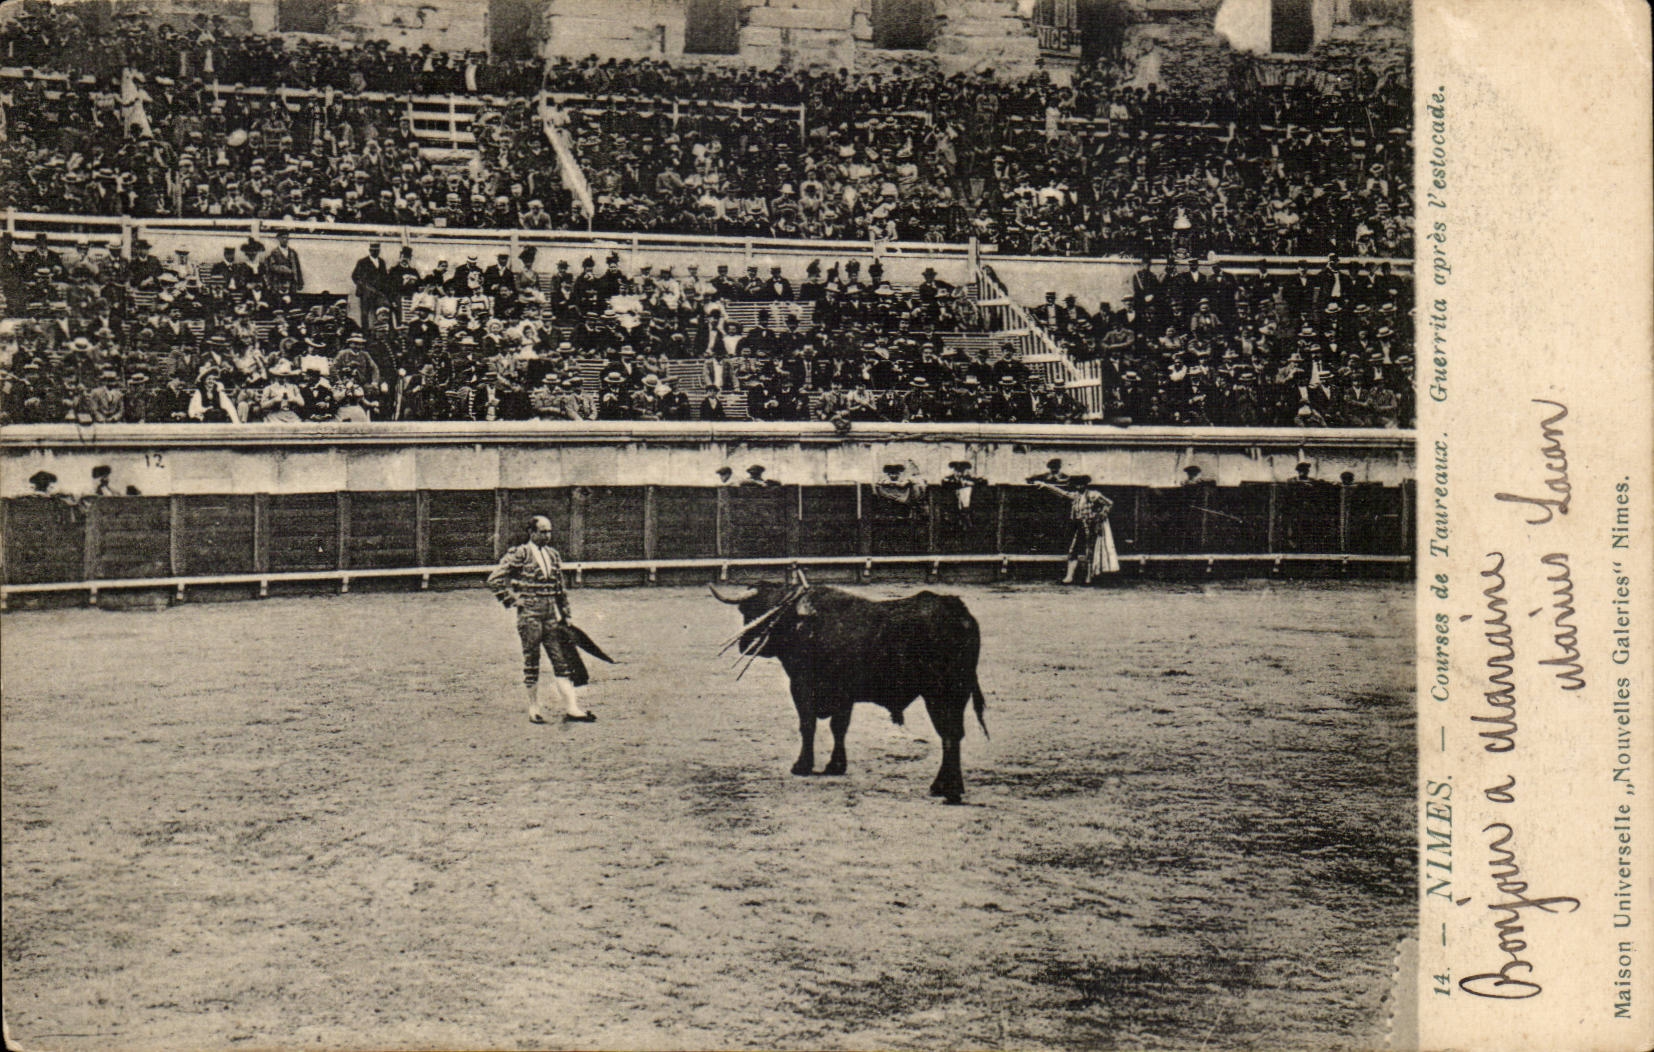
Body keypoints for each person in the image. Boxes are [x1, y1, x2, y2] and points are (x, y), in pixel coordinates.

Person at [486, 515, 596, 725]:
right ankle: (534, 708)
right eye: (543, 532)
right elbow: (494, 579)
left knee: (561, 661)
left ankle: (572, 708)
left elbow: (560, 589)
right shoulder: (521, 553)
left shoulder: (553, 555)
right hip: (530, 615)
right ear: (532, 532)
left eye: (549, 531)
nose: (547, 536)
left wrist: (566, 614)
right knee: (532, 661)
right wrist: (512, 600)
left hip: (551, 616)